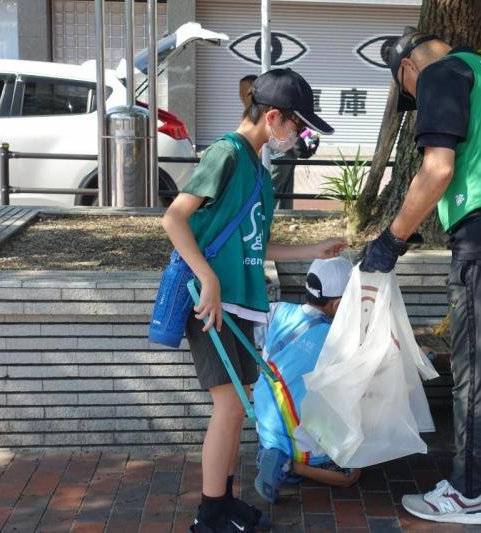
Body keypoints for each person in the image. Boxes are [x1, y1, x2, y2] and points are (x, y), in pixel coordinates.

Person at [359, 28, 481, 525]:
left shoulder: (440, 74)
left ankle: (469, 495)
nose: (414, 98)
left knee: (476, 377)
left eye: (408, 94)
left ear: (408, 69)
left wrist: (391, 241)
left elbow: (438, 169)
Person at [161, 68, 345, 533]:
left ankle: (222, 502)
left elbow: (255, 247)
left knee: (236, 405)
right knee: (230, 407)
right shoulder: (226, 154)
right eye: (297, 126)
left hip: (242, 304)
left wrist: (312, 250)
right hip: (213, 303)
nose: (298, 137)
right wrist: (208, 280)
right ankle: (209, 516)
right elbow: (173, 219)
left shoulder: (259, 171)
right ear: (273, 116)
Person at [252, 256, 360, 503]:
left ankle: (271, 454)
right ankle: (289, 465)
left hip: (266, 427)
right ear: (337, 304)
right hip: (298, 435)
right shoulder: (336, 338)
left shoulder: (278, 311)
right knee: (351, 472)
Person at [239, 74, 319, 209]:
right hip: (283, 153)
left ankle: (272, 213)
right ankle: (276, 213)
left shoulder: (259, 112)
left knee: (271, 189)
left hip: (280, 153)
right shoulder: (227, 150)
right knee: (277, 189)